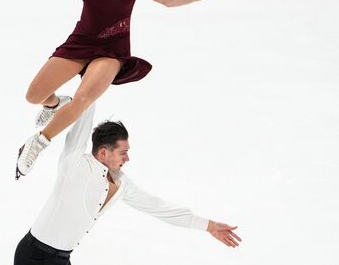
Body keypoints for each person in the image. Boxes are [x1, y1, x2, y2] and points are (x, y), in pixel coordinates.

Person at [0, 0, 226, 179]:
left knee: (82, 99)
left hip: (111, 51)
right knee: (34, 95)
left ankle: (37, 143)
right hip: (80, 41)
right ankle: (55, 105)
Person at [13, 104, 242, 265]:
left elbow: (160, 208)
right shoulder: (74, 163)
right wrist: (93, 74)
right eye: (123, 153)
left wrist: (209, 225)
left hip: (61, 258)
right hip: (33, 255)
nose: (127, 158)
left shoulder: (122, 184)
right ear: (103, 152)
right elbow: (86, 107)